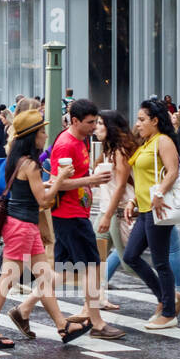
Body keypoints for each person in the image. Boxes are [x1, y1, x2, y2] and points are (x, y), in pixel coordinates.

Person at [0, 110, 91, 348]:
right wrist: (61, 178)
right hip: (21, 226)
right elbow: (44, 201)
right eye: (42, 131)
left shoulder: (18, 159)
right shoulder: (31, 164)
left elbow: (30, 192)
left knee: (43, 278)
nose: (45, 135)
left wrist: (49, 183)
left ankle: (62, 326)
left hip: (25, 225)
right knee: (7, 280)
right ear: (32, 136)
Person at [49, 99, 125, 339]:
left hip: (75, 213)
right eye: (90, 122)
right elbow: (55, 183)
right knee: (91, 267)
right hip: (69, 214)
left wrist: (89, 178)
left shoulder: (80, 140)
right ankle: (97, 322)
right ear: (75, 121)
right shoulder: (65, 145)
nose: (94, 127)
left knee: (65, 269)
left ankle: (25, 307)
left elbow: (76, 176)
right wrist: (90, 181)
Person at [121, 99, 180, 330]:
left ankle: (168, 312)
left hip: (159, 209)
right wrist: (133, 200)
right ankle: (167, 298)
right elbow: (145, 178)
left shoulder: (163, 141)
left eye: (142, 119)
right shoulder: (147, 143)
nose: (138, 124)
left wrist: (160, 192)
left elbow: (173, 171)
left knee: (161, 262)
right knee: (130, 257)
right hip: (146, 209)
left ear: (155, 121)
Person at [94, 110, 136, 310]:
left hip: (117, 213)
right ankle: (98, 298)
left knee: (130, 263)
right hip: (106, 210)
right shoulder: (107, 149)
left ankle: (168, 292)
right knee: (96, 257)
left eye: (101, 123)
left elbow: (120, 186)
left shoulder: (120, 151)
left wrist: (109, 215)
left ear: (111, 127)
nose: (96, 126)